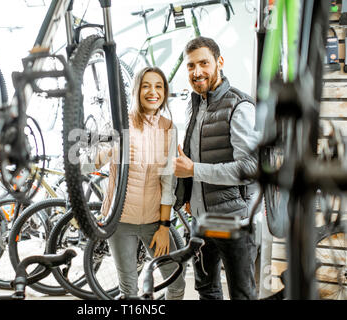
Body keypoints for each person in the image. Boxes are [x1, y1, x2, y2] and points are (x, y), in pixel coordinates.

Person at [173, 36, 261, 300]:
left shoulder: (239, 105)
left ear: (219, 62)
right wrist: (189, 196)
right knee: (207, 290)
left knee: (242, 294)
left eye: (203, 63)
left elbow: (250, 167)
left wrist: (193, 171)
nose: (197, 72)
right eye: (190, 66)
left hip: (234, 221)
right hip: (201, 221)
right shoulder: (194, 105)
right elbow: (194, 157)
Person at [95, 66, 185, 299]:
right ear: (136, 90)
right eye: (146, 85)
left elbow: (168, 182)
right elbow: (88, 163)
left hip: (155, 221)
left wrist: (165, 227)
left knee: (176, 283)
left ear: (164, 92)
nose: (152, 91)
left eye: (158, 86)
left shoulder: (168, 127)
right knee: (129, 291)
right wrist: (112, 149)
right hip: (120, 221)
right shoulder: (119, 122)